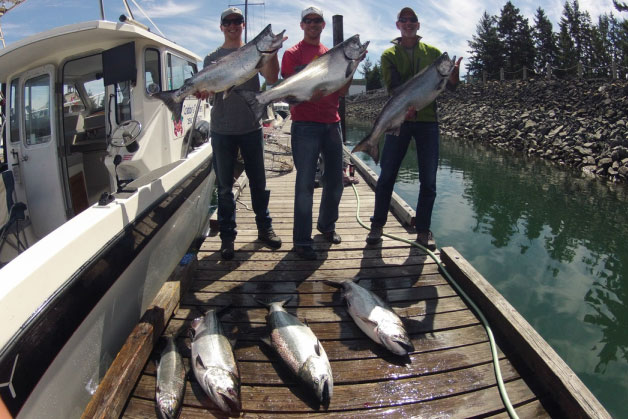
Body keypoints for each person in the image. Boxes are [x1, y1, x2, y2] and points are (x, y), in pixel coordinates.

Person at [365, 6, 462, 250]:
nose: (408, 23)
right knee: (387, 176)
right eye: (404, 20)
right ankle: (377, 225)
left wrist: (453, 75)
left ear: (418, 25)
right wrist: (406, 109)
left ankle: (423, 231)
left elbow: (451, 87)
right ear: (398, 25)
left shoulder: (435, 54)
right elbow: (394, 88)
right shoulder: (388, 54)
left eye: (413, 20)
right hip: (400, 119)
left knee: (428, 181)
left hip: (428, 123)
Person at [199, 7, 283, 260]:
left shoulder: (255, 52)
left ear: (243, 25)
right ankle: (227, 238)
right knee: (225, 188)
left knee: (259, 183)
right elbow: (209, 90)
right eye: (228, 22)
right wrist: (203, 90)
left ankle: (264, 228)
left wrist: (273, 52)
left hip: (251, 127)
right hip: (222, 129)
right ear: (221, 26)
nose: (233, 25)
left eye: (237, 21)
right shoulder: (211, 58)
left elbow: (271, 78)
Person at [281, 6, 352, 260]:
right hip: (305, 126)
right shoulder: (291, 54)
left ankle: (326, 226)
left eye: (317, 20)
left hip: (332, 123)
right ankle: (302, 240)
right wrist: (311, 93)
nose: (313, 24)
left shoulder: (333, 55)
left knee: (335, 181)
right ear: (302, 25)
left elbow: (342, 92)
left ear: (323, 25)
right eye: (308, 20)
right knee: (305, 184)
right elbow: (291, 92)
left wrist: (351, 66)